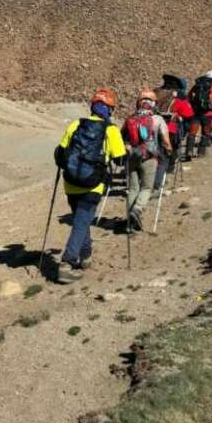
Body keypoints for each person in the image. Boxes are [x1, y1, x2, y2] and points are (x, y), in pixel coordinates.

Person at [53, 89, 127, 285]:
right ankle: (67, 264)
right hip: (93, 184)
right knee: (81, 222)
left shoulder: (76, 124)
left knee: (81, 220)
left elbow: (60, 154)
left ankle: (85, 256)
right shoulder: (110, 130)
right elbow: (120, 160)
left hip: (71, 183)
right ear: (109, 110)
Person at [122, 90, 173, 231]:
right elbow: (166, 141)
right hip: (150, 157)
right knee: (146, 188)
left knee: (133, 189)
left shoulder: (129, 119)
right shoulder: (158, 119)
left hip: (132, 157)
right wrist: (169, 151)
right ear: (153, 103)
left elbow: (123, 138)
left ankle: (129, 223)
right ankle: (137, 210)